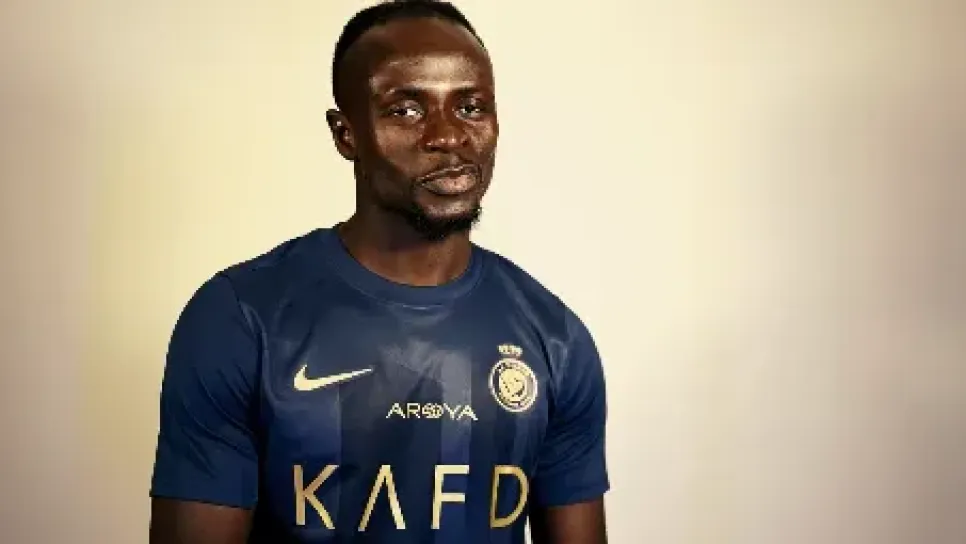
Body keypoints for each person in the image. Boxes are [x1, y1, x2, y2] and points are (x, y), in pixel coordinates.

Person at [148, 1, 609, 542]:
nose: (448, 136)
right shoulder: (240, 319)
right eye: (406, 110)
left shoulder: (554, 338)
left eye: (471, 107)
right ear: (346, 135)